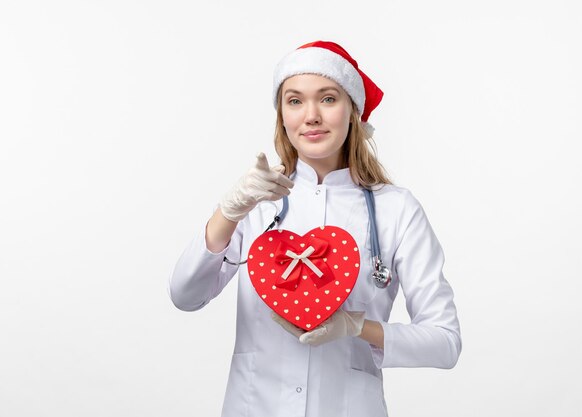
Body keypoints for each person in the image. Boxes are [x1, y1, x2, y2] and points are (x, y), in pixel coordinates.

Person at [168, 40, 461, 417]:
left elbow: (445, 342)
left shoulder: (396, 209)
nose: (311, 116)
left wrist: (357, 327)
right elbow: (184, 295)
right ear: (282, 116)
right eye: (294, 101)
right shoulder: (255, 202)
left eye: (327, 99)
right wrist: (228, 212)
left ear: (353, 111)